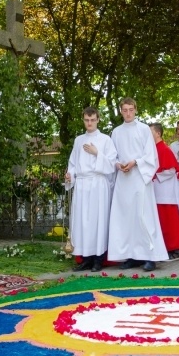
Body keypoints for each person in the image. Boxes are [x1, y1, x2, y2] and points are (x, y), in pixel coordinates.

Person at [108, 97, 168, 271]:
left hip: (140, 178)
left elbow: (151, 155)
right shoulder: (116, 132)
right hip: (124, 179)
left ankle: (150, 256)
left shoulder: (143, 129)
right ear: (121, 111)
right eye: (125, 110)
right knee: (126, 218)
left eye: (131, 110)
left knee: (144, 216)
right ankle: (131, 255)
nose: (128, 113)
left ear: (135, 110)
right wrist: (119, 164)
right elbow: (113, 155)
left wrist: (135, 162)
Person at [65, 107, 117, 272]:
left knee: (97, 221)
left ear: (98, 120)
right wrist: (70, 175)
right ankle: (85, 259)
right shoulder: (78, 140)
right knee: (82, 222)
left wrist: (97, 153)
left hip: (97, 183)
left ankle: (98, 259)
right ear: (83, 120)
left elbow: (112, 164)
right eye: (87, 120)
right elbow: (73, 163)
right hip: (82, 184)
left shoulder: (105, 140)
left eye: (92, 120)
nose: (89, 123)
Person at [149, 123, 179, 261]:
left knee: (169, 220)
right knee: (162, 220)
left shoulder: (164, 149)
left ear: (158, 133)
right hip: (157, 190)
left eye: (150, 132)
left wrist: (155, 175)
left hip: (165, 192)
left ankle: (173, 249)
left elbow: (171, 169)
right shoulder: (154, 149)